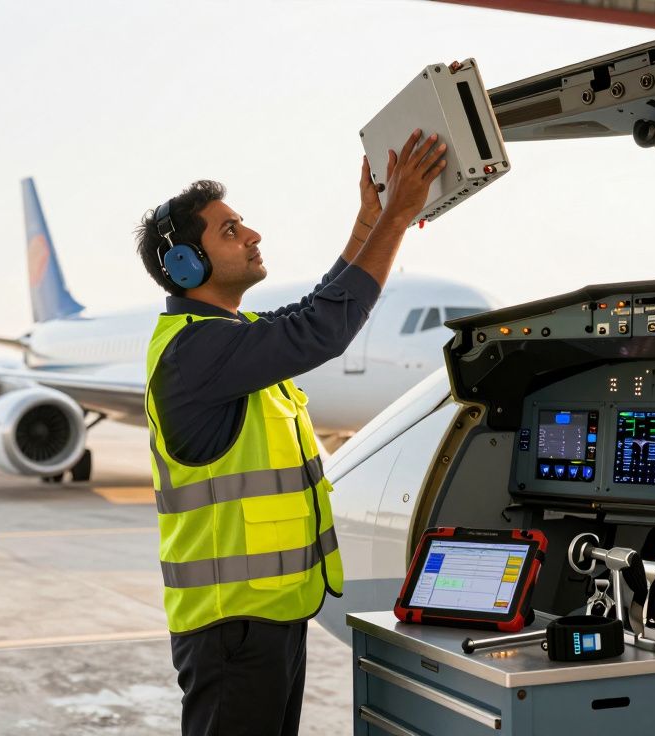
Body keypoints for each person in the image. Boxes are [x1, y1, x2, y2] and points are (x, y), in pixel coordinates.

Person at [133, 129, 447, 736]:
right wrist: (398, 218)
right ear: (184, 264)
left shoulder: (229, 336)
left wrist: (369, 222)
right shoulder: (196, 350)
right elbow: (323, 328)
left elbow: (318, 305)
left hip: (268, 615)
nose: (252, 235)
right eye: (230, 230)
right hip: (231, 626)